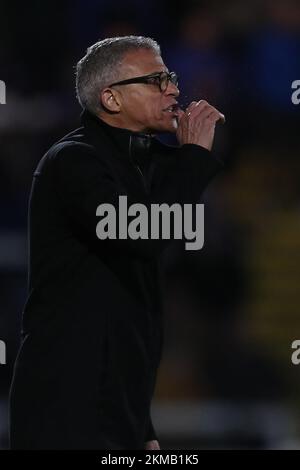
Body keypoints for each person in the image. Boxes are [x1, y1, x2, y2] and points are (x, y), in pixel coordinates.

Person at [9, 36, 225, 450]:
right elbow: (140, 233)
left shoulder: (152, 165)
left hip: (123, 408)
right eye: (157, 79)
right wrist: (195, 159)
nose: (174, 89)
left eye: (172, 77)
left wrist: (141, 427)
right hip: (64, 410)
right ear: (111, 99)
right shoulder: (73, 161)